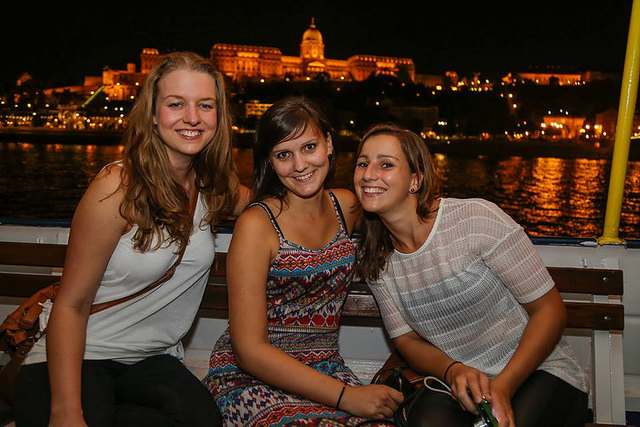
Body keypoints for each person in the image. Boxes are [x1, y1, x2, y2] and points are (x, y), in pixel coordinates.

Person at [13, 51, 249, 427]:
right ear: (153, 114)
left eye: (205, 105)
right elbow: (71, 305)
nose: (192, 117)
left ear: (218, 116)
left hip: (152, 360)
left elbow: (274, 202)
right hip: (79, 356)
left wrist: (337, 196)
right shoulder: (117, 187)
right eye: (176, 104)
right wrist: (66, 412)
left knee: (204, 420)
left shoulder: (214, 186)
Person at [352, 123, 589, 427]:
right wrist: (453, 371)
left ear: (415, 180)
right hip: (463, 382)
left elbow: (550, 310)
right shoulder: (375, 256)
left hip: (539, 370)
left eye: (386, 164)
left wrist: (503, 386)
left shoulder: (474, 220)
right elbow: (407, 340)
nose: (368, 174)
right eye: (362, 163)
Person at [203, 96, 404, 426]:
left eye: (309, 147)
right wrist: (347, 397)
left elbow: (403, 216)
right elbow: (249, 351)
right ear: (270, 161)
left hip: (326, 369)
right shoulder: (257, 225)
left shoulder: (346, 206)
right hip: (251, 377)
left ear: (328, 143)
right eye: (284, 154)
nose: (299, 165)